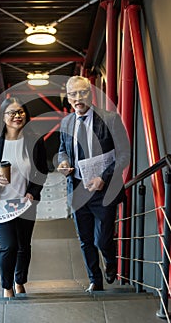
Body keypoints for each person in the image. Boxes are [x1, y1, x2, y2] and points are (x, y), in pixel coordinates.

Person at [57, 76, 130, 292]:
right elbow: (63, 148)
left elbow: (124, 154)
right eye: (73, 94)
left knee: (103, 240)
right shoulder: (66, 122)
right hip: (77, 189)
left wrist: (104, 177)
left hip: (104, 191)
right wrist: (63, 162)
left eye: (82, 93)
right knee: (85, 239)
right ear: (68, 97)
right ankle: (95, 281)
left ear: (90, 94)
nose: (78, 98)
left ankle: (109, 261)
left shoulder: (110, 119)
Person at [0, 96, 48, 297]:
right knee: (9, 245)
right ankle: (7, 286)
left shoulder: (35, 140)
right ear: (3, 116)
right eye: (12, 112)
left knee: (23, 246)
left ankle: (20, 280)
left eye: (20, 112)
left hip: (25, 203)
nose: (17, 116)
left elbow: (42, 171)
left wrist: (33, 193)